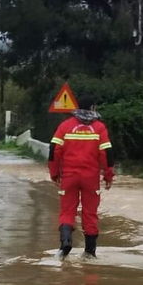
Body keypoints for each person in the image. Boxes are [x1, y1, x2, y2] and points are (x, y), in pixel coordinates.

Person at [47, 93, 115, 259]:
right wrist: (108, 175)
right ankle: (90, 252)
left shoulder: (65, 126)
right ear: (93, 108)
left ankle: (65, 245)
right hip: (90, 178)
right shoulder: (99, 128)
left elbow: (53, 151)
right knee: (90, 213)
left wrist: (54, 173)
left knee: (67, 211)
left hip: (69, 177)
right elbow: (106, 153)